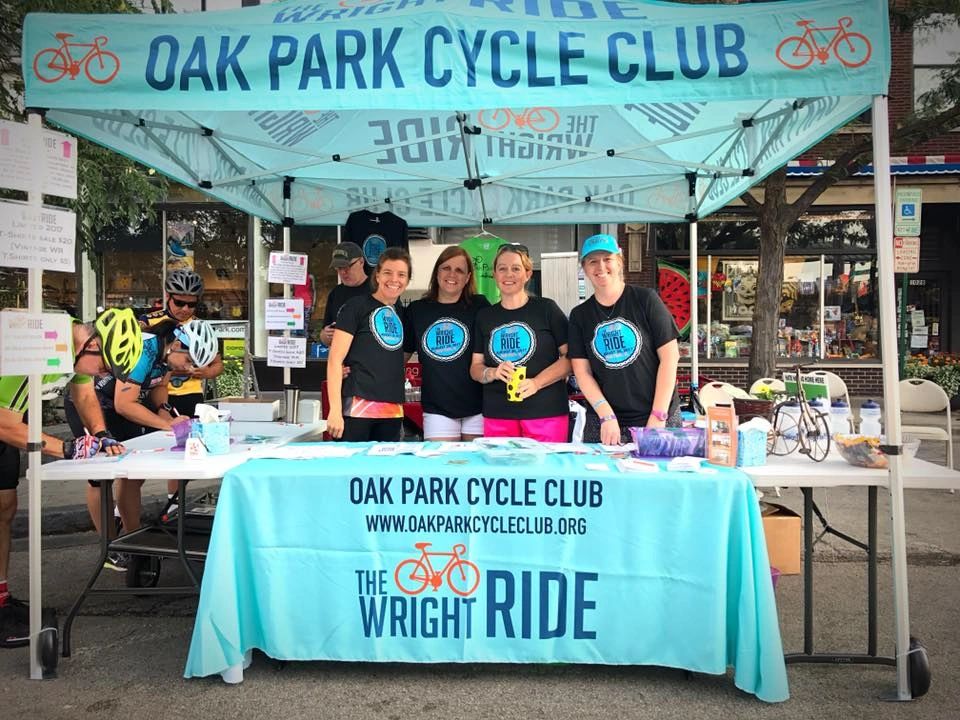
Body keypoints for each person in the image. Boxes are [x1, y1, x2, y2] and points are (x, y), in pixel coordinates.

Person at [0, 308, 141, 648]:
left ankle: (1, 597)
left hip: (10, 425)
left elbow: (84, 394)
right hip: (5, 421)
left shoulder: (74, 349)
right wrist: (64, 448)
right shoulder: (34, 347)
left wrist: (102, 432)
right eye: (105, 366)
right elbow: (5, 422)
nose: (105, 374)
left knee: (5, 509)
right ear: (90, 344)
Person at [66, 318, 217, 565]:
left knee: (132, 473)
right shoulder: (144, 350)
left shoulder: (167, 352)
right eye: (189, 361)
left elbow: (160, 385)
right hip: (91, 403)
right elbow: (124, 404)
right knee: (100, 478)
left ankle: (133, 538)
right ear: (177, 344)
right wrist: (167, 425)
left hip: (119, 406)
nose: (190, 369)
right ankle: (110, 545)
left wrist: (164, 408)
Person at [568, 234, 681, 445]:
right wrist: (606, 416)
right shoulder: (579, 315)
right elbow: (582, 372)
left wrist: (658, 416)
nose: (600, 266)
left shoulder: (646, 299)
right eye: (593, 261)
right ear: (584, 268)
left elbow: (670, 358)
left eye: (607, 259)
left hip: (657, 416)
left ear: (619, 261)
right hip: (604, 422)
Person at [140, 269, 224, 514]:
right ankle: (122, 506)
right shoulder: (149, 321)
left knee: (185, 452)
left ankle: (174, 503)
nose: (185, 309)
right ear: (168, 297)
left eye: (191, 304)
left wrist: (204, 373)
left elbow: (217, 364)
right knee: (147, 450)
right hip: (152, 394)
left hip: (190, 396)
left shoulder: (201, 327)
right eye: (179, 302)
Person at [470, 244, 571, 442]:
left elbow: (571, 358)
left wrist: (537, 383)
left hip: (546, 413)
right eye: (502, 268)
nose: (509, 274)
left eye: (516, 268)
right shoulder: (485, 316)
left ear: (527, 274)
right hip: (498, 414)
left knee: (545, 472)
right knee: (502, 473)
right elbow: (475, 368)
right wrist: (492, 373)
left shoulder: (546, 309)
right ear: (495, 275)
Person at [404, 247, 490, 441]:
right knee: (444, 467)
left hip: (479, 404)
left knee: (477, 468)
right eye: (446, 268)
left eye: (459, 270)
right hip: (438, 408)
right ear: (437, 272)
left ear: (468, 277)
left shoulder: (480, 306)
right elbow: (401, 355)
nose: (452, 274)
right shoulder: (417, 310)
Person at [326, 247, 411, 442]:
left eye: (401, 275)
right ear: (378, 275)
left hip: (392, 410)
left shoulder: (401, 313)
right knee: (353, 471)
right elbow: (334, 360)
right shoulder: (356, 306)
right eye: (388, 272)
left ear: (407, 281)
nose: (394, 279)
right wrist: (335, 411)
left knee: (384, 471)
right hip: (358, 408)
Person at [319, 242, 370, 347]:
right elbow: (324, 334)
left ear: (361, 262)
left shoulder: (379, 291)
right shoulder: (335, 293)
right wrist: (326, 336)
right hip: (343, 359)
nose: (342, 272)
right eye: (338, 268)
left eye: (347, 266)